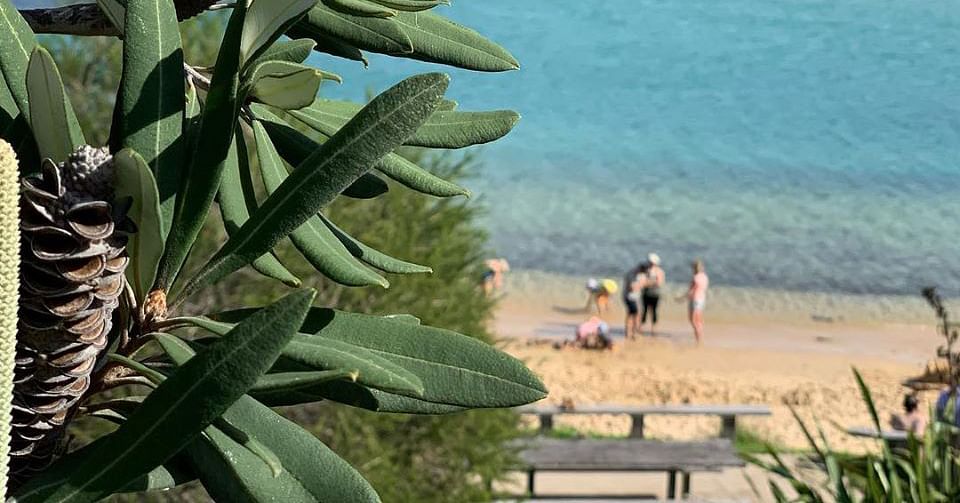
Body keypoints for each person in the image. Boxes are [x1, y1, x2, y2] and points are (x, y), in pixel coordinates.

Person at [680, 259, 709, 344]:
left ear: (694, 268)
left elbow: (691, 291)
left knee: (693, 320)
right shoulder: (704, 276)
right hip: (702, 299)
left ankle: (698, 339)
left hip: (695, 300)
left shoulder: (695, 278)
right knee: (698, 320)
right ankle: (699, 336)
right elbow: (704, 289)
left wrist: (681, 298)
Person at [640, 253, 665, 336]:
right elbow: (641, 280)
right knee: (644, 310)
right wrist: (646, 282)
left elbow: (659, 283)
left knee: (654, 311)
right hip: (645, 293)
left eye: (651, 262)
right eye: (649, 262)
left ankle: (653, 329)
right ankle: (641, 327)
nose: (650, 263)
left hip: (655, 294)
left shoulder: (659, 271)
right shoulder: (646, 270)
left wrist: (647, 283)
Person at [622, 263, 647, 340]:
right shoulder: (631, 274)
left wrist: (641, 285)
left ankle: (631, 333)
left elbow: (643, 284)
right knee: (633, 314)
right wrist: (641, 285)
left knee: (633, 314)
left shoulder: (640, 274)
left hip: (635, 297)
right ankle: (631, 333)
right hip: (629, 297)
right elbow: (632, 288)